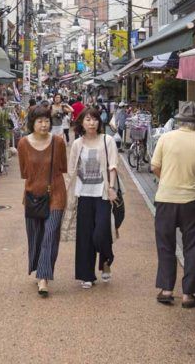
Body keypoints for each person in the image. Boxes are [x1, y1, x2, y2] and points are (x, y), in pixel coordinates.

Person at [150, 101, 195, 308]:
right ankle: (188, 294)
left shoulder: (166, 138)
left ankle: (167, 289)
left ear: (179, 121)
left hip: (166, 199)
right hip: (193, 201)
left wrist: (166, 181)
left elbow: (154, 167)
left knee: (165, 245)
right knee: (194, 247)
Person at [63, 107, 119, 289]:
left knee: (101, 232)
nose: (91, 123)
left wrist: (111, 188)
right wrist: (68, 193)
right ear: (81, 123)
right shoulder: (78, 144)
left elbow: (113, 165)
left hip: (102, 193)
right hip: (84, 193)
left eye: (94, 119)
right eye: (87, 119)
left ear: (99, 122)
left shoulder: (107, 140)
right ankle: (86, 275)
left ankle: (106, 259)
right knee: (85, 235)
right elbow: (71, 170)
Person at [18, 105, 68, 297]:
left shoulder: (58, 142)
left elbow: (62, 167)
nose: (44, 125)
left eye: (46, 120)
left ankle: (43, 277)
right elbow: (24, 172)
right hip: (32, 195)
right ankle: (38, 266)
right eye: (40, 121)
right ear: (32, 123)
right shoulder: (23, 143)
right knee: (36, 236)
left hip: (56, 193)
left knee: (50, 234)